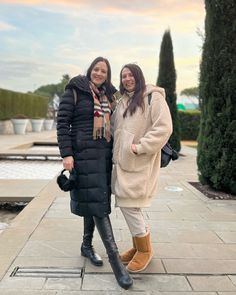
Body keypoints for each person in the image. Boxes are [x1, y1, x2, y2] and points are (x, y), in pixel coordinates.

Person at [56, 57, 133, 289]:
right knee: (99, 205)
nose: (100, 73)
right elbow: (62, 123)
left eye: (104, 71)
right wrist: (66, 154)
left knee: (94, 199)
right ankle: (116, 262)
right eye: (97, 69)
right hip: (82, 154)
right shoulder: (75, 90)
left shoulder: (110, 95)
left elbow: (129, 102)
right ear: (90, 70)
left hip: (103, 156)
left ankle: (86, 246)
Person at [111, 63, 173, 273]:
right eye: (123, 76)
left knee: (130, 205)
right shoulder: (122, 101)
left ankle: (145, 250)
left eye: (130, 75)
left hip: (140, 161)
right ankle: (139, 246)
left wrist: (139, 147)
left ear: (139, 76)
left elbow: (164, 127)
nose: (127, 78)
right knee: (129, 205)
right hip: (123, 163)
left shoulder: (152, 97)